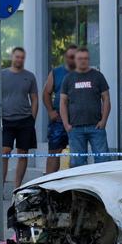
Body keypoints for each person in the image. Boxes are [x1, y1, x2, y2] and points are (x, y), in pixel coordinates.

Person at [0, 47, 38, 193]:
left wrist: (32, 118)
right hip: (6, 121)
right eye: (17, 57)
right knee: (4, 152)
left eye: (22, 57)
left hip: (25, 120)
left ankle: (17, 188)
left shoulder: (29, 76)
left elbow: (35, 98)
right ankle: (0, 188)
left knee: (23, 153)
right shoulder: (1, 75)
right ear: (12, 57)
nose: (19, 60)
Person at [59, 47, 111, 168]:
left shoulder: (98, 76)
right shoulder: (68, 78)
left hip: (96, 127)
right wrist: (66, 124)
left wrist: (103, 121)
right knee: (77, 164)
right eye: (80, 58)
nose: (83, 61)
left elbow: (106, 99)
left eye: (86, 58)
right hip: (75, 128)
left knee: (103, 161)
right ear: (75, 60)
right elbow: (63, 102)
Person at [42, 44, 77, 174]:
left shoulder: (84, 72)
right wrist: (50, 111)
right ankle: (48, 185)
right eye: (70, 56)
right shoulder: (56, 72)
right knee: (54, 152)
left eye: (75, 57)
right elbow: (46, 93)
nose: (72, 59)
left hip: (78, 120)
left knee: (77, 155)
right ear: (65, 57)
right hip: (58, 120)